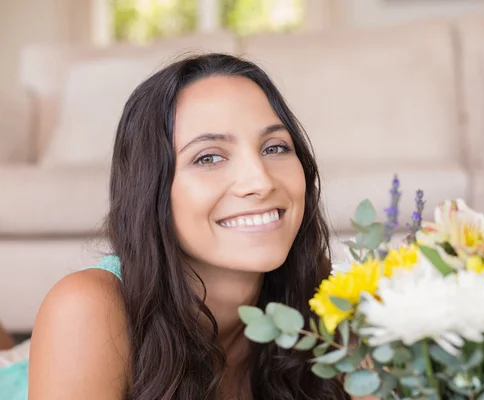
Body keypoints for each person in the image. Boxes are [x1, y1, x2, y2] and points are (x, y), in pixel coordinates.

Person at [0, 53, 354, 400]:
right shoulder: (87, 309)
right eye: (209, 157)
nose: (260, 182)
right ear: (152, 189)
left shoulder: (316, 290)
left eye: (275, 147)